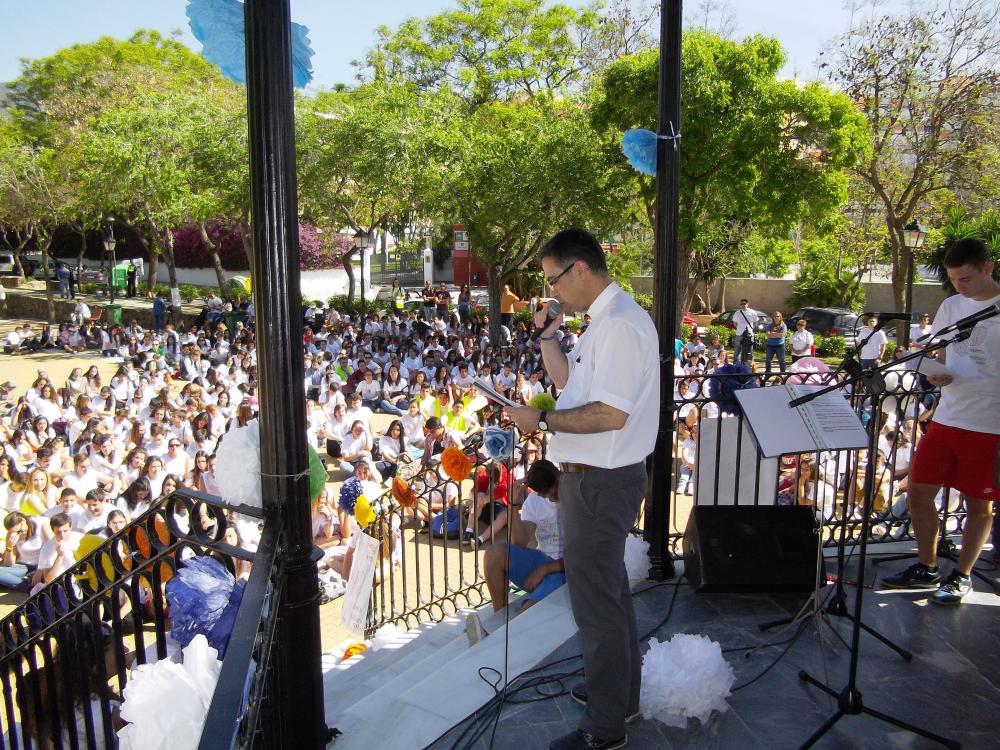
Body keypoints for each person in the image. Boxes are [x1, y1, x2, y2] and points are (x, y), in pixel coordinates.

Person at [509, 228, 659, 750]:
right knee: (608, 595)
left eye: (553, 279)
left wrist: (540, 420)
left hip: (600, 481)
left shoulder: (619, 325)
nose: (551, 291)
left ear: (579, 269)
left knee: (596, 604)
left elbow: (610, 415)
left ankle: (605, 726)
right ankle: (618, 697)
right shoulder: (606, 321)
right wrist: (548, 339)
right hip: (593, 479)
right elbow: (570, 388)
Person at [882, 238, 1000, 604]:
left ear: (987, 268)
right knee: (919, 493)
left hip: (989, 423)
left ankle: (962, 575)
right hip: (948, 416)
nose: (959, 286)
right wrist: (936, 373)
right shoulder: (951, 306)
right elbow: (946, 353)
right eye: (953, 279)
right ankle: (927, 565)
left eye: (966, 279)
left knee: (979, 504)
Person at [466, 459, 566, 644]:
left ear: (559, 475)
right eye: (547, 495)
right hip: (542, 560)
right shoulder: (535, 500)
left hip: (568, 569)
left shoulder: (575, 497)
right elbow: (519, 542)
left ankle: (497, 635)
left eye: (554, 492)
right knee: (494, 554)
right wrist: (513, 504)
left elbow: (582, 556)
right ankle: (499, 617)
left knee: (530, 606)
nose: (553, 498)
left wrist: (544, 570)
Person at [733, 298, 759, 364]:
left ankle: (750, 365)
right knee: (737, 351)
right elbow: (735, 323)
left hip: (749, 335)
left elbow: (755, 322)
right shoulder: (737, 313)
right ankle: (735, 365)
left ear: (747, 304)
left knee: (750, 351)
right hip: (739, 334)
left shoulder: (753, 312)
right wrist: (740, 328)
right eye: (741, 304)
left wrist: (751, 329)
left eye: (744, 304)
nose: (742, 305)